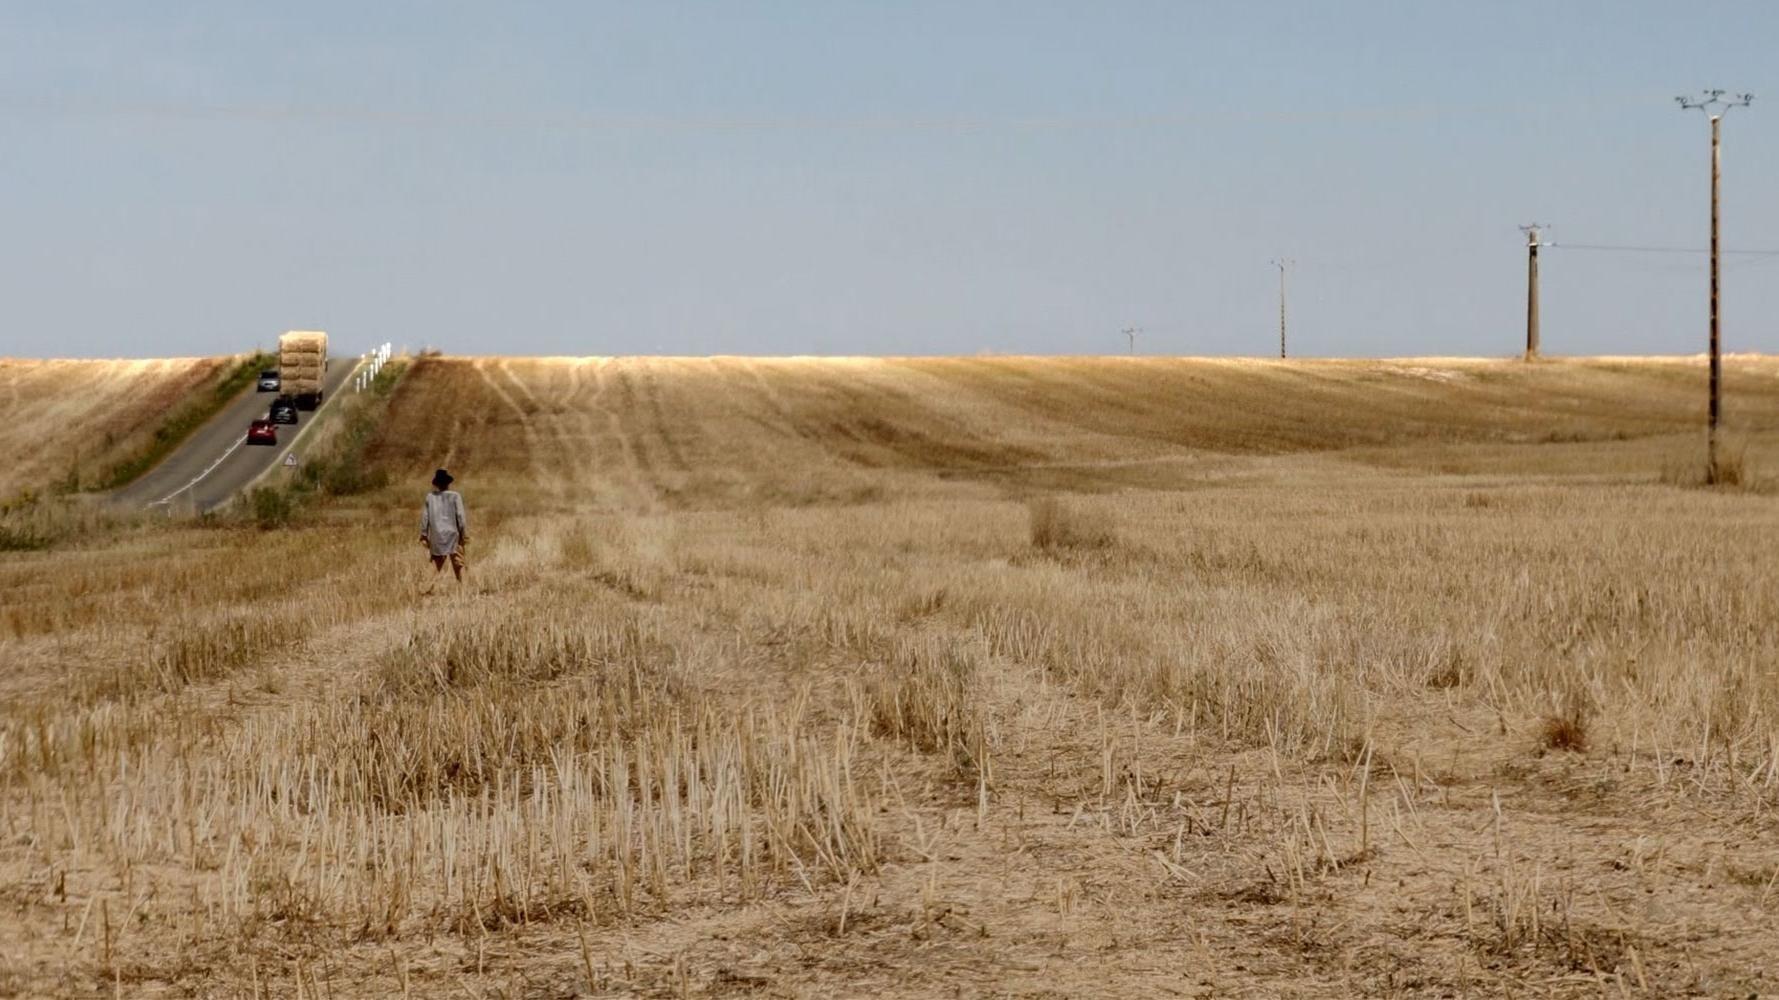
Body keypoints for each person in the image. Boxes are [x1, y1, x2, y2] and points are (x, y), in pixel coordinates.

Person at [419, 468, 468, 583]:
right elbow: (461, 517)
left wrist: (424, 534)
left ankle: (425, 588)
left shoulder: (430, 497)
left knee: (435, 562)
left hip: (437, 536)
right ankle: (464, 589)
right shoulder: (455, 496)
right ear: (448, 483)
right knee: (459, 563)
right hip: (453, 535)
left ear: (437, 484)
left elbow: (425, 518)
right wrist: (464, 534)